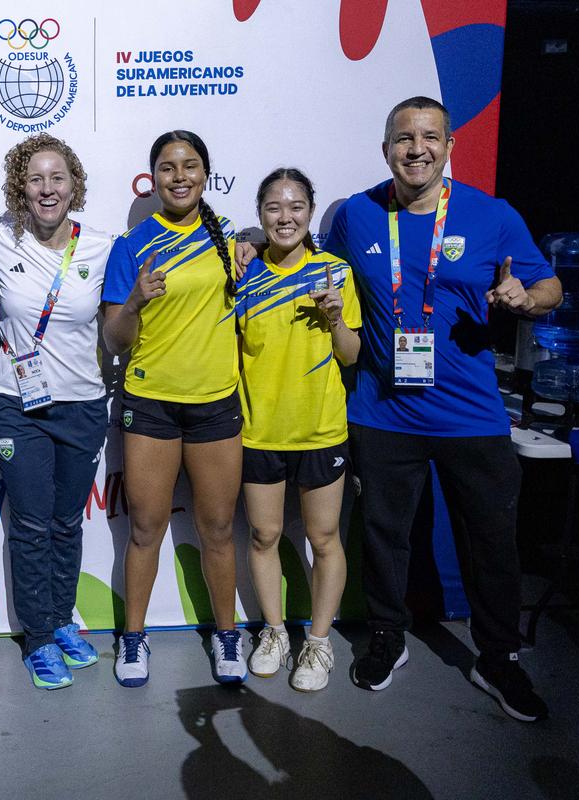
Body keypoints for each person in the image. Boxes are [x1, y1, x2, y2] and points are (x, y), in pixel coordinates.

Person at [290, 96, 559, 720]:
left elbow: (551, 287)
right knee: (384, 536)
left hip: (472, 416)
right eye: (404, 138)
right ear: (386, 147)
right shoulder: (357, 215)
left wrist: (527, 296)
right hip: (382, 413)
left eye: (430, 137)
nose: (417, 148)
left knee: (492, 541)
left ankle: (499, 659)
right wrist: (249, 246)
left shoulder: (490, 215)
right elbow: (306, 258)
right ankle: (388, 636)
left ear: (449, 146)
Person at [101, 130, 245, 687]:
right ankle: (133, 639)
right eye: (167, 167)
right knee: (145, 529)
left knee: (215, 529)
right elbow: (115, 340)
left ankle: (227, 634)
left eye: (189, 166)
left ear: (206, 173)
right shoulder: (131, 245)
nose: (179, 176)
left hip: (215, 406)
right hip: (151, 404)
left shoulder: (231, 241)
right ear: (152, 178)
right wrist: (134, 299)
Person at [0, 134, 113, 689]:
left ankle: (60, 620)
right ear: (20, 187)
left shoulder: (103, 246)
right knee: (30, 525)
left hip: (83, 405)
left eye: (58, 178)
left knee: (64, 522)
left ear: (74, 185)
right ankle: (37, 636)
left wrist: (245, 239)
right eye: (36, 179)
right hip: (19, 406)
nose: (48, 188)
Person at [236, 168, 360, 692]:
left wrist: (334, 319)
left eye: (296, 207)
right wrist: (243, 248)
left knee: (324, 537)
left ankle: (319, 641)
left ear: (310, 213)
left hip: (320, 430)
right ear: (260, 215)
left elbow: (352, 355)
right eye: (273, 208)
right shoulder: (241, 272)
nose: (285, 217)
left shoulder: (336, 272)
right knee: (264, 535)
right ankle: (275, 633)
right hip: (258, 431)